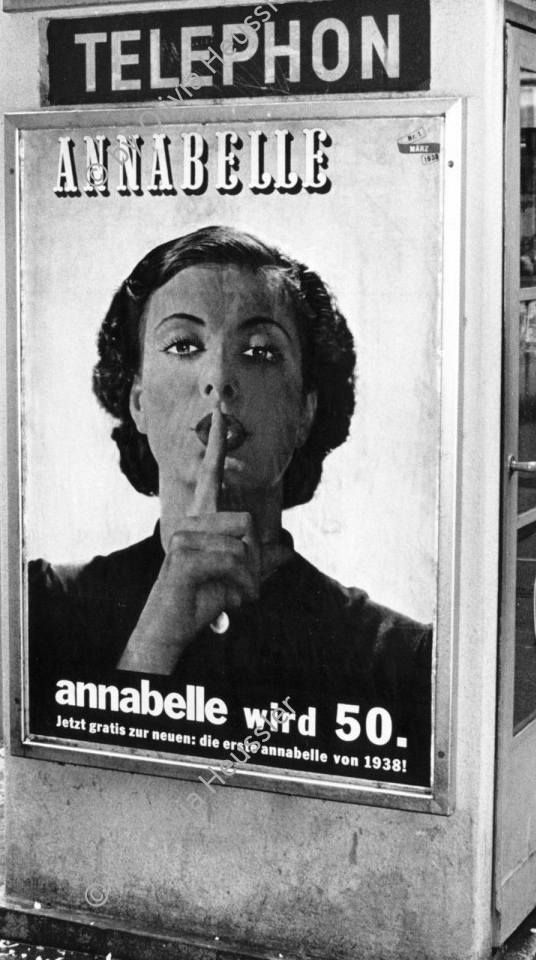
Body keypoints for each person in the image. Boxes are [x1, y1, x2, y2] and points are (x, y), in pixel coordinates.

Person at [28, 226, 431, 725]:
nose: (219, 377)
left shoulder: (398, 657)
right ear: (137, 402)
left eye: (259, 351)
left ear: (306, 411)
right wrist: (157, 636)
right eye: (182, 345)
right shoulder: (49, 604)